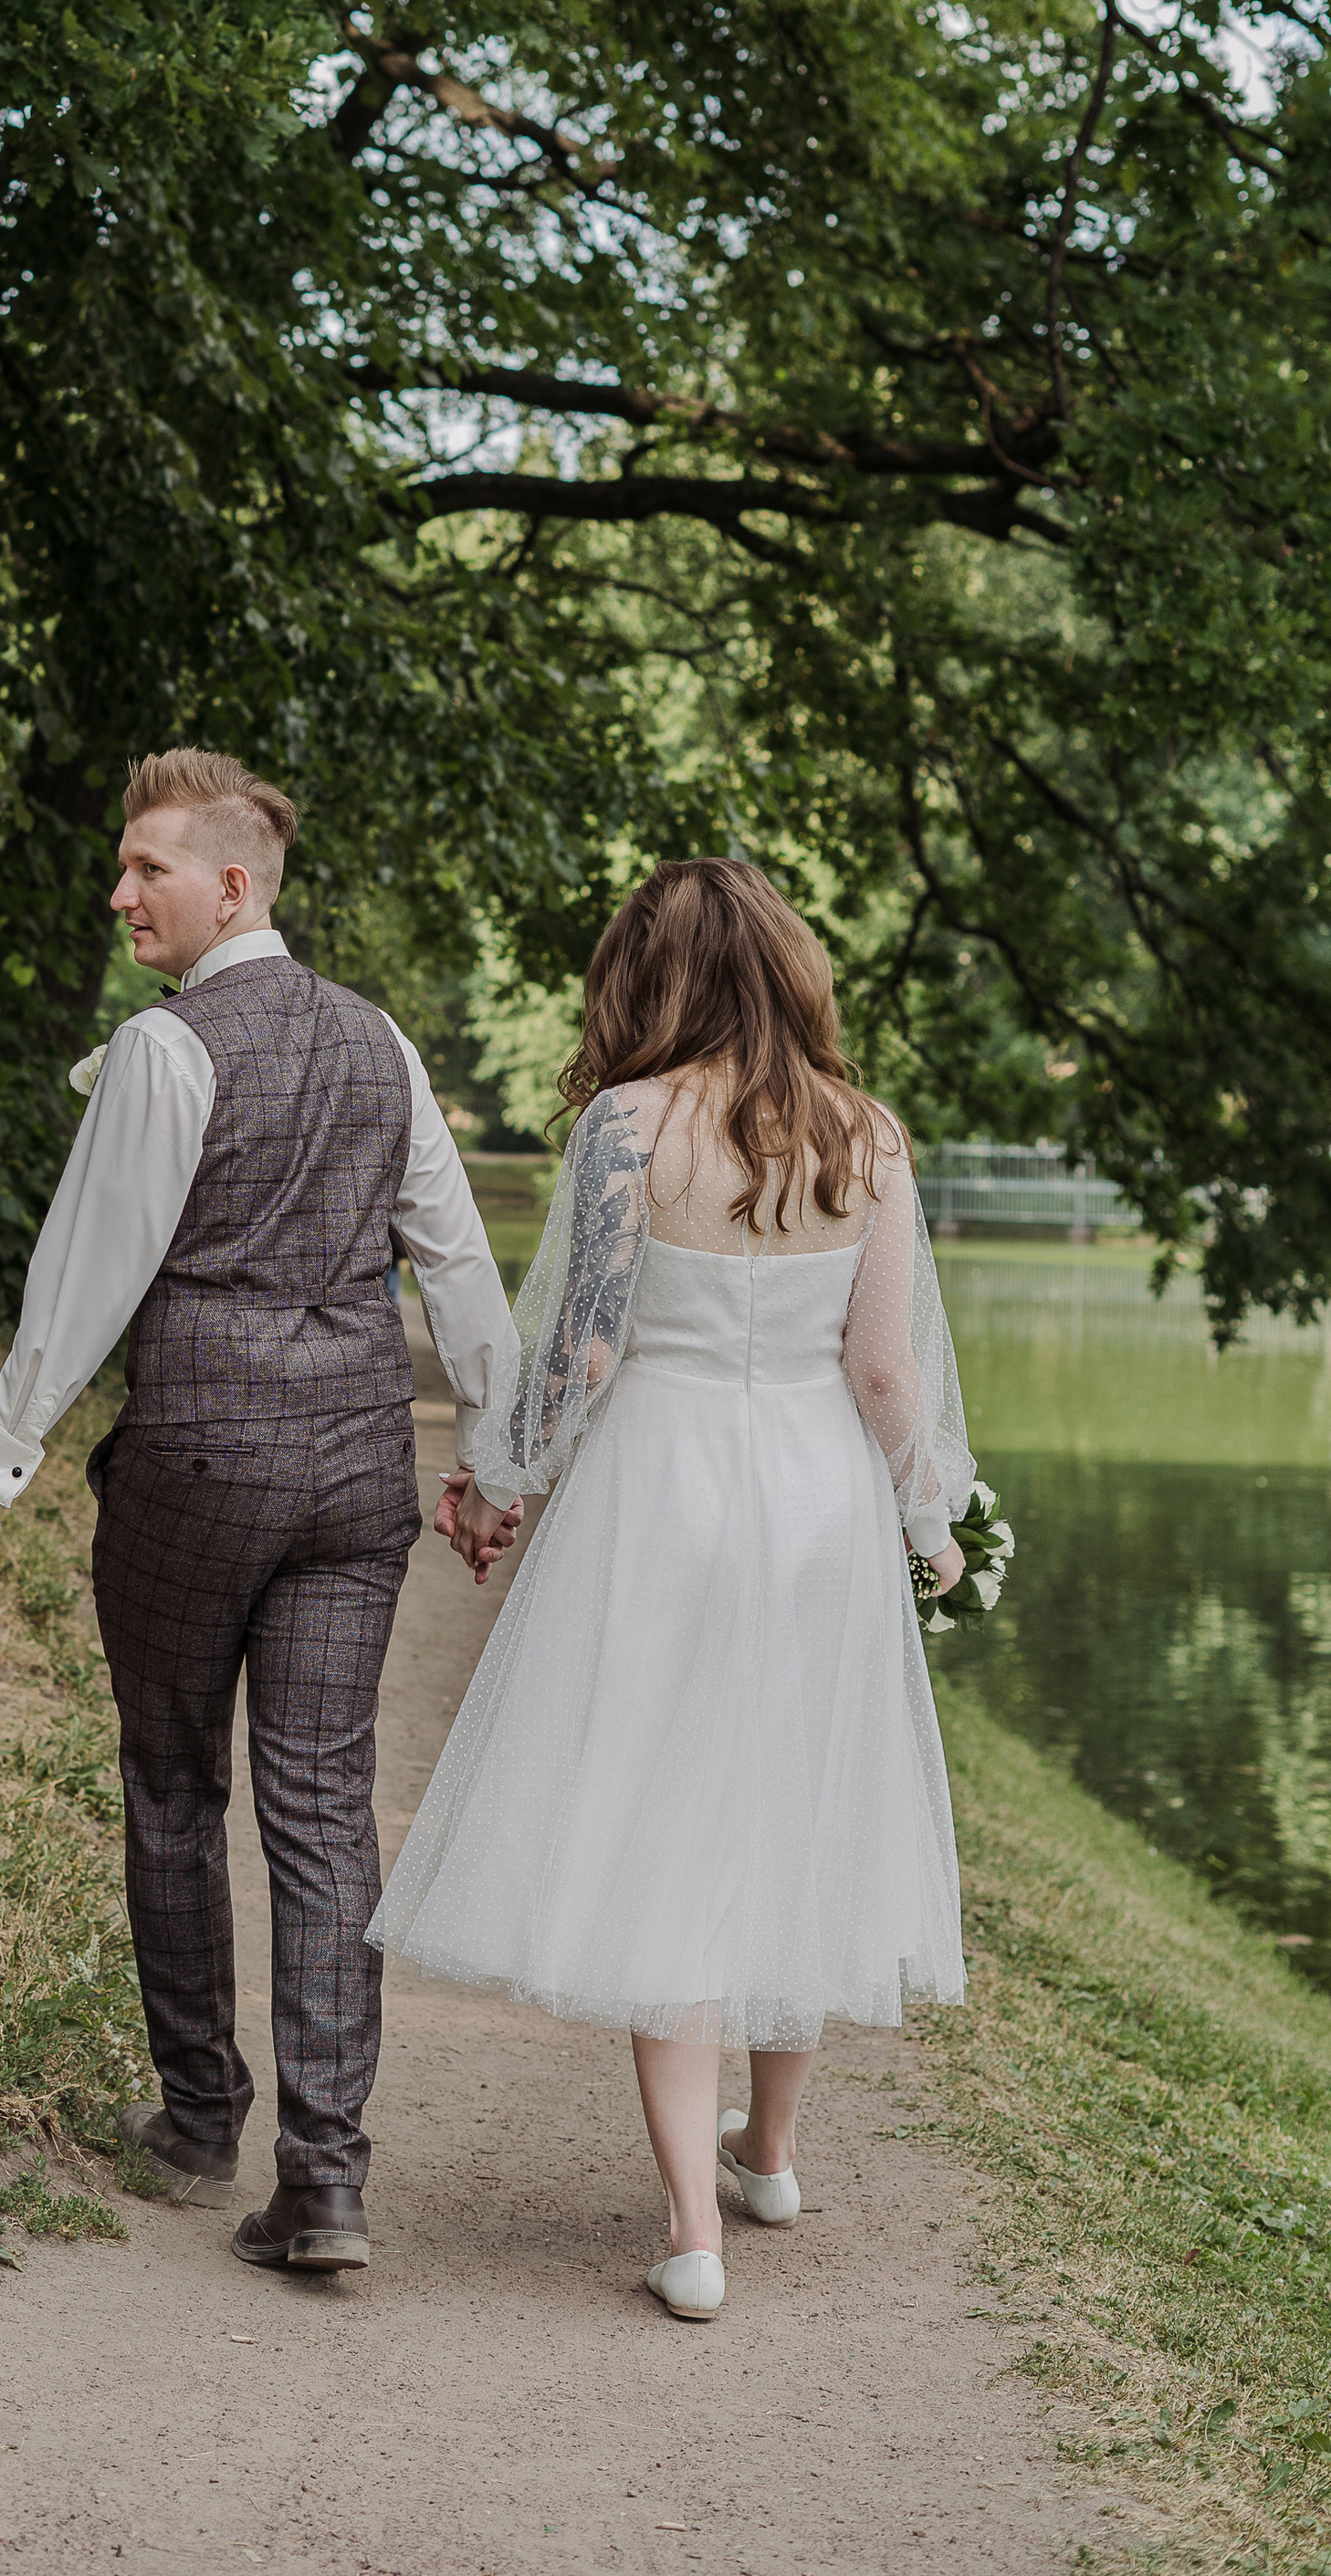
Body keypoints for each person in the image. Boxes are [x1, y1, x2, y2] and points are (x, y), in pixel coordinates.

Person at [0, 748, 519, 2270]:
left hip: (196, 1462)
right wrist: (499, 1461)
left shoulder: (164, 1051)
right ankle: (325, 2180)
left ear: (232, 885)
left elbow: (85, 1277)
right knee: (323, 1813)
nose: (120, 893)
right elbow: (454, 1264)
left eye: (148, 870)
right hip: (349, 1472)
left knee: (177, 1786)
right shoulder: (379, 1042)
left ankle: (202, 2116)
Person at [370, 858, 971, 2322]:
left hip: (664, 1496)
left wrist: (495, 1482)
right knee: (794, 1804)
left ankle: (694, 2237)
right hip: (820, 1503)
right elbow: (885, 1372)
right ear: (788, 968)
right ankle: (768, 2151)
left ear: (654, 976)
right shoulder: (869, 1134)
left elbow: (577, 1352)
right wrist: (927, 1516)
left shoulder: (624, 1130)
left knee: (665, 1823)